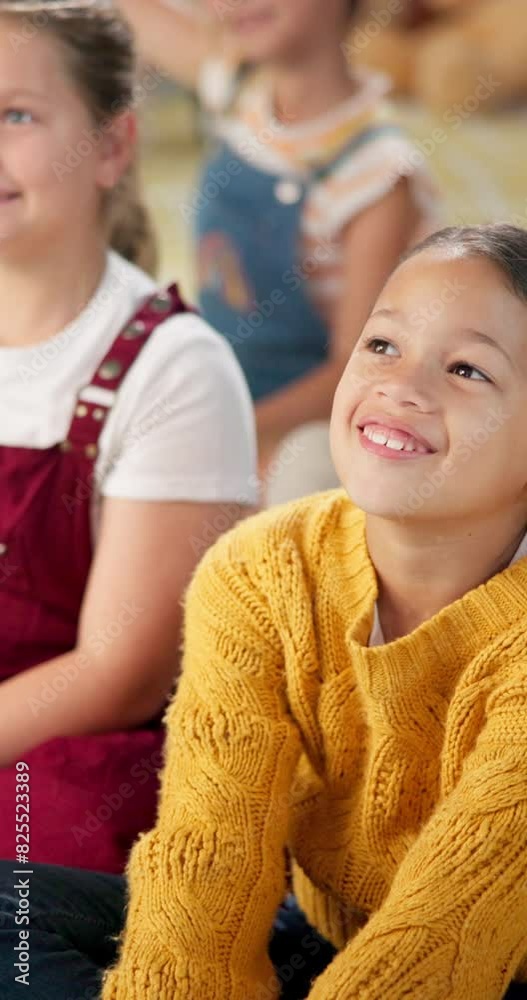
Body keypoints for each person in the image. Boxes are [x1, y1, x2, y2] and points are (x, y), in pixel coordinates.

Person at [3, 222, 527, 1000]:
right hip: (319, 934)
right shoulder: (261, 569)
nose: (400, 386)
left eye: (465, 369)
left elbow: (442, 946)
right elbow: (206, 865)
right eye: (381, 345)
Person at [0, 0, 257, 876]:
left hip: (58, 766)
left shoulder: (172, 368)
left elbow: (120, 674)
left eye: (16, 115)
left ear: (112, 147)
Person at [116, 0, 440, 500]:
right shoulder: (238, 87)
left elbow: (357, 371)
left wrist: (233, 430)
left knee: (295, 484)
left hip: (306, 417)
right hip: (225, 378)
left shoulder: (376, 175)